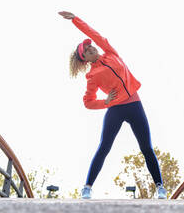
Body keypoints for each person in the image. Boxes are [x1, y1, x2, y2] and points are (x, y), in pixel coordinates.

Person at [59, 11, 167, 199]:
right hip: (115, 109)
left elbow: (94, 34)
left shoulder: (110, 53)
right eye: (87, 50)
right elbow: (88, 102)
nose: (91, 47)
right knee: (104, 147)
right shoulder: (91, 76)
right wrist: (105, 102)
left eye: (91, 46)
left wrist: (75, 20)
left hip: (134, 103)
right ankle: (87, 187)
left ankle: (160, 187)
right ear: (85, 58)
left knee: (146, 147)